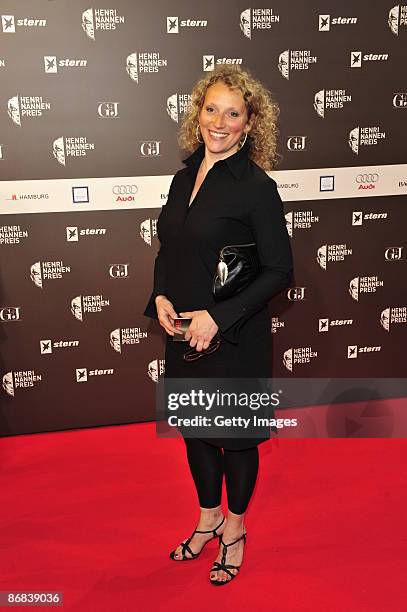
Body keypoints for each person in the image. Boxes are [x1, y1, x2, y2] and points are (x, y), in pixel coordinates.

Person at [143, 65, 293, 585]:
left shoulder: (256, 188)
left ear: (250, 123)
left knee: (234, 438)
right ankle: (207, 516)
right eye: (212, 109)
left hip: (234, 338)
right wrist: (160, 294)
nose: (220, 122)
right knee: (195, 431)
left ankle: (234, 528)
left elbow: (280, 270)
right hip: (185, 334)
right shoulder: (184, 177)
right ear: (198, 113)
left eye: (234, 113)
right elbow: (170, 247)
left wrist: (219, 316)